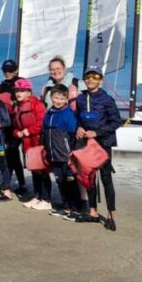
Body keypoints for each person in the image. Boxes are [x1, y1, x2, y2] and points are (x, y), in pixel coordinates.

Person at [75, 66, 121, 230]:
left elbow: (116, 122)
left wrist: (97, 133)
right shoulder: (80, 99)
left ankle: (111, 215)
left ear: (100, 80)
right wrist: (79, 128)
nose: (90, 79)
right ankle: (93, 212)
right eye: (88, 76)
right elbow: (78, 118)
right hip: (87, 144)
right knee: (89, 178)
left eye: (95, 77)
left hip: (103, 143)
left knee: (106, 178)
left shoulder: (107, 100)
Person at [42, 84, 79, 216]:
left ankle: (74, 207)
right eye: (55, 98)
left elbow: (73, 135)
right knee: (60, 181)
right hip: (53, 155)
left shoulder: (68, 114)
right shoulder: (49, 114)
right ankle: (65, 206)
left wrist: (72, 154)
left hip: (66, 156)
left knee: (70, 182)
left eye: (61, 99)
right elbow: (44, 133)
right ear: (51, 97)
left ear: (67, 100)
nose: (58, 101)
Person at [11, 78, 47, 208]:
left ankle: (46, 199)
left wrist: (28, 131)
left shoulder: (36, 104)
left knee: (42, 169)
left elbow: (42, 122)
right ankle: (37, 196)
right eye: (17, 91)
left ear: (29, 92)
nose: (18, 93)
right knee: (33, 169)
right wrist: (17, 133)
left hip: (38, 140)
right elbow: (15, 127)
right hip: (26, 143)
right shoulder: (17, 107)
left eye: (22, 90)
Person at [0, 59, 27, 195]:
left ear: (16, 70)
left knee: (14, 153)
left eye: (10, 70)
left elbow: (27, 100)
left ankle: (20, 183)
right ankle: (9, 182)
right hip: (6, 125)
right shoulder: (2, 85)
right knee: (9, 155)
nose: (7, 73)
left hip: (18, 124)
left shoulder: (21, 82)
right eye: (5, 70)